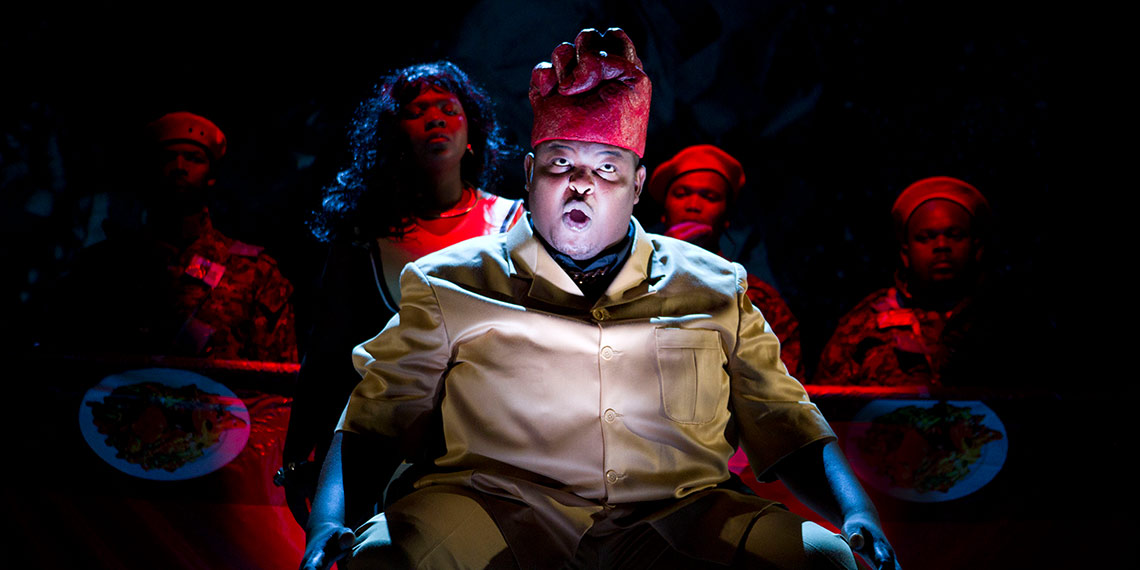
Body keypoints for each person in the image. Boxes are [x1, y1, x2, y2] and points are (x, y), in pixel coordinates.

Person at [300, 29, 899, 570]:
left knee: (825, 561)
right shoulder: (449, 281)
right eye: (560, 163)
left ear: (638, 186)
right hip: (494, 509)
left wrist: (857, 512)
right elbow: (372, 422)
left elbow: (787, 422)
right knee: (383, 557)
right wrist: (329, 522)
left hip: (678, 514)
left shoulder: (714, 285)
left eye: (607, 168)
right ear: (529, 174)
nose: (581, 183)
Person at [279, 61, 525, 526]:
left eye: (448, 109)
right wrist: (296, 456)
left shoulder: (515, 227)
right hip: (384, 458)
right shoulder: (363, 239)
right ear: (394, 138)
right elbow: (327, 356)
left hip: (490, 455)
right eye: (416, 111)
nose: (434, 119)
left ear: (471, 133)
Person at [45, 111, 298, 362]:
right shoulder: (102, 267)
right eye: (167, 158)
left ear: (212, 176)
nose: (179, 167)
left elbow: (275, 378)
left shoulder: (254, 273)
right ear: (150, 170)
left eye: (194, 158)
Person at [814, 176, 990, 387]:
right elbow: (826, 400)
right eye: (925, 237)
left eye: (955, 235)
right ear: (905, 253)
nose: (941, 245)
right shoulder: (863, 324)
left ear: (977, 249)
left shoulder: (1006, 319)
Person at [647, 144, 804, 380]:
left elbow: (782, 382)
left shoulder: (756, 298)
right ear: (664, 211)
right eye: (681, 194)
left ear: (727, 217)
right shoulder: (630, 282)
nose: (693, 205)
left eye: (710, 197)